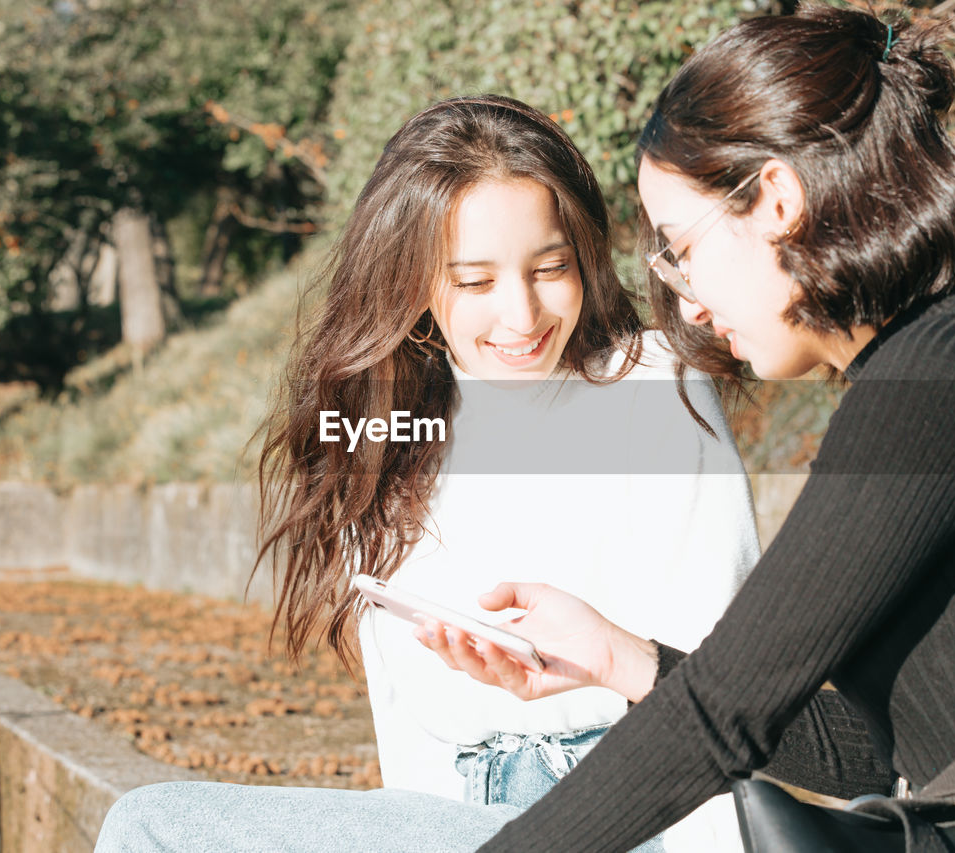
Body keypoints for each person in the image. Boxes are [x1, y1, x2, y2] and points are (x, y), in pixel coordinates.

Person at [410, 6, 955, 851]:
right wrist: (618, 657)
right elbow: (877, 752)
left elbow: (721, 717)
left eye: (680, 245)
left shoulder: (941, 381)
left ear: (776, 201)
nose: (685, 297)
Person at [94, 95, 759, 852]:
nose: (522, 314)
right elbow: (411, 740)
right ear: (414, 282)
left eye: (551, 268)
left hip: (633, 816)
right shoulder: (388, 430)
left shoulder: (652, 386)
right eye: (475, 282)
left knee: (149, 827)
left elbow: (723, 681)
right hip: (458, 817)